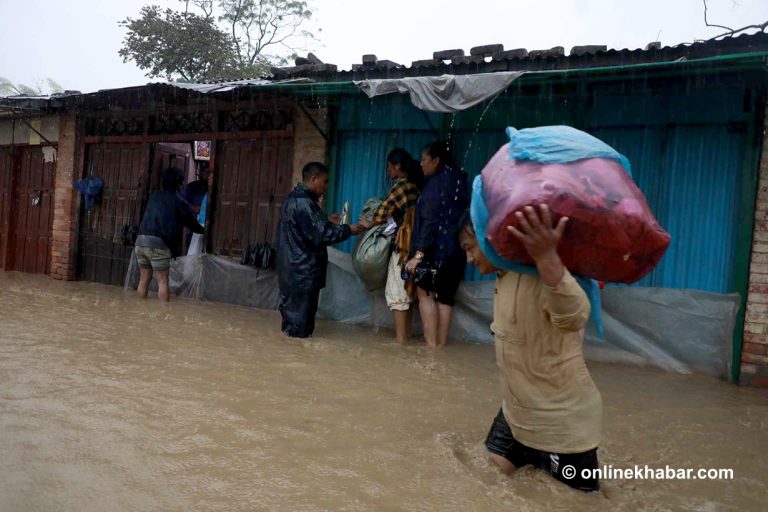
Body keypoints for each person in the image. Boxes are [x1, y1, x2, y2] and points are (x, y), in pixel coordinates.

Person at [458, 204, 603, 492]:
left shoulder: (542, 273)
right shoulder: (505, 275)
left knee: (578, 504)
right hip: (515, 414)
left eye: (470, 247)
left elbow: (575, 315)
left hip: (561, 426)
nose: (468, 258)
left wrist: (548, 259)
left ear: (489, 239)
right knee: (481, 483)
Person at [277, 162, 365, 338]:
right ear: (314, 179)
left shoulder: (292, 199)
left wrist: (325, 219)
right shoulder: (305, 203)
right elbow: (324, 235)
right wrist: (349, 229)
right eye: (324, 182)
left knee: (291, 324)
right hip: (303, 272)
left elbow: (304, 226)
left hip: (291, 270)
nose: (325, 187)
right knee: (300, 327)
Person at [404, 141, 468, 347]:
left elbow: (430, 221)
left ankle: (431, 347)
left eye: (424, 160)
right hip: (456, 251)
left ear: (436, 160)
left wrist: (419, 254)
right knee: (446, 298)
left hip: (435, 252)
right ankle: (441, 347)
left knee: (425, 295)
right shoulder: (459, 181)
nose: (421, 164)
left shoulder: (433, 186)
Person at [359, 148, 422, 343]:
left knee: (397, 292)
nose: (387, 171)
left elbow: (383, 210)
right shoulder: (416, 185)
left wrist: (369, 223)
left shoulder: (401, 186)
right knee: (407, 293)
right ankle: (407, 337)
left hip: (403, 246)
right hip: (416, 246)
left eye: (389, 167)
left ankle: (400, 342)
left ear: (397, 166)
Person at [136, 167, 205, 302]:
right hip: (158, 244)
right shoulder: (178, 201)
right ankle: (164, 315)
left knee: (144, 280)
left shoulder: (154, 196)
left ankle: (140, 308)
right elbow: (191, 223)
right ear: (179, 184)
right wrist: (204, 230)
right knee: (162, 281)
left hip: (141, 241)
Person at [180, 161, 210, 253]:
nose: (208, 176)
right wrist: (194, 208)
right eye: (206, 173)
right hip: (193, 225)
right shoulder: (192, 187)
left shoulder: (212, 188)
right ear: (201, 173)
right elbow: (181, 203)